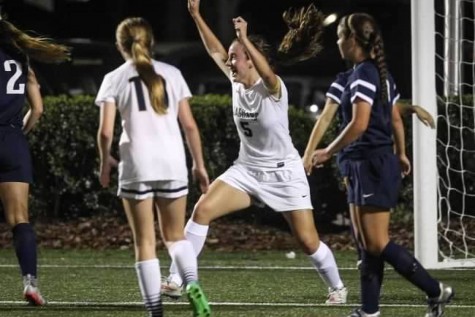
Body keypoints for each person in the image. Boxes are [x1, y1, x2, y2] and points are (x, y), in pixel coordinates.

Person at [162, 0, 348, 305]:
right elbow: (213, 50)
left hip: (284, 172)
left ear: (252, 60)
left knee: (307, 240)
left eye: (236, 58)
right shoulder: (236, 82)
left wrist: (245, 39)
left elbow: (267, 74)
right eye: (231, 57)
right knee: (202, 210)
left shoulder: (273, 88)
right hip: (247, 170)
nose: (230, 61)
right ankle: (176, 280)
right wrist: (196, 15)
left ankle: (337, 287)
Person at [311, 13, 453, 317]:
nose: (336, 42)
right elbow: (393, 117)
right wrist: (401, 152)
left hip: (371, 164)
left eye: (339, 36)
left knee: (376, 242)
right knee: (366, 245)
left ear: (352, 40)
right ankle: (370, 311)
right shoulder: (370, 73)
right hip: (363, 164)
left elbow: (360, 124)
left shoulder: (365, 73)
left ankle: (436, 290)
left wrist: (326, 151)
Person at [95, 17, 211, 317]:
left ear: (120, 44)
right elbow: (190, 126)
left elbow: (106, 132)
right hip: (172, 162)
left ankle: (155, 310)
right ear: (151, 42)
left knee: (144, 242)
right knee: (175, 237)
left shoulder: (114, 78)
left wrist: (105, 162)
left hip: (137, 165)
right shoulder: (172, 73)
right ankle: (192, 284)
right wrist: (199, 165)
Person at [303, 76, 436, 269]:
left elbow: (392, 113)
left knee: (374, 232)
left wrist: (412, 111)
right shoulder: (345, 80)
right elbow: (326, 117)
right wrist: (309, 153)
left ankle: (374, 263)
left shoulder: (382, 79)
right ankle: (364, 260)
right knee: (359, 220)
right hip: (352, 157)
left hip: (376, 159)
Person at [0, 14, 70, 306]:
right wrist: (18, 134)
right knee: (19, 220)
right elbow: (38, 109)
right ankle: (30, 282)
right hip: (12, 142)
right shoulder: (21, 59)